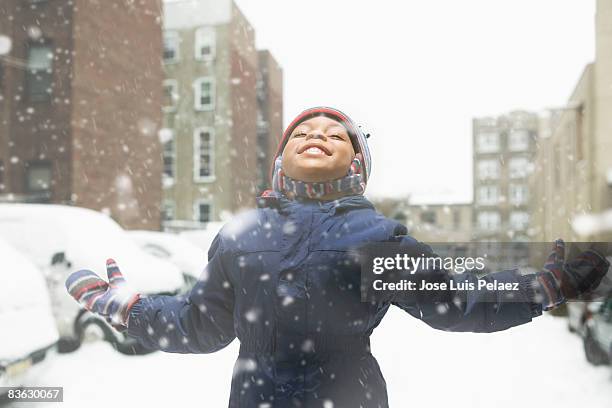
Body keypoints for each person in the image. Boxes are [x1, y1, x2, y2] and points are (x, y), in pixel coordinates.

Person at [65, 107, 610, 408]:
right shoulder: (238, 236)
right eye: (301, 132)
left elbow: (456, 300)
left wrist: (544, 285)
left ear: (357, 163)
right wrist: (130, 308)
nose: (316, 136)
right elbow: (201, 326)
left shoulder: (374, 236)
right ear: (281, 162)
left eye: (334, 134)